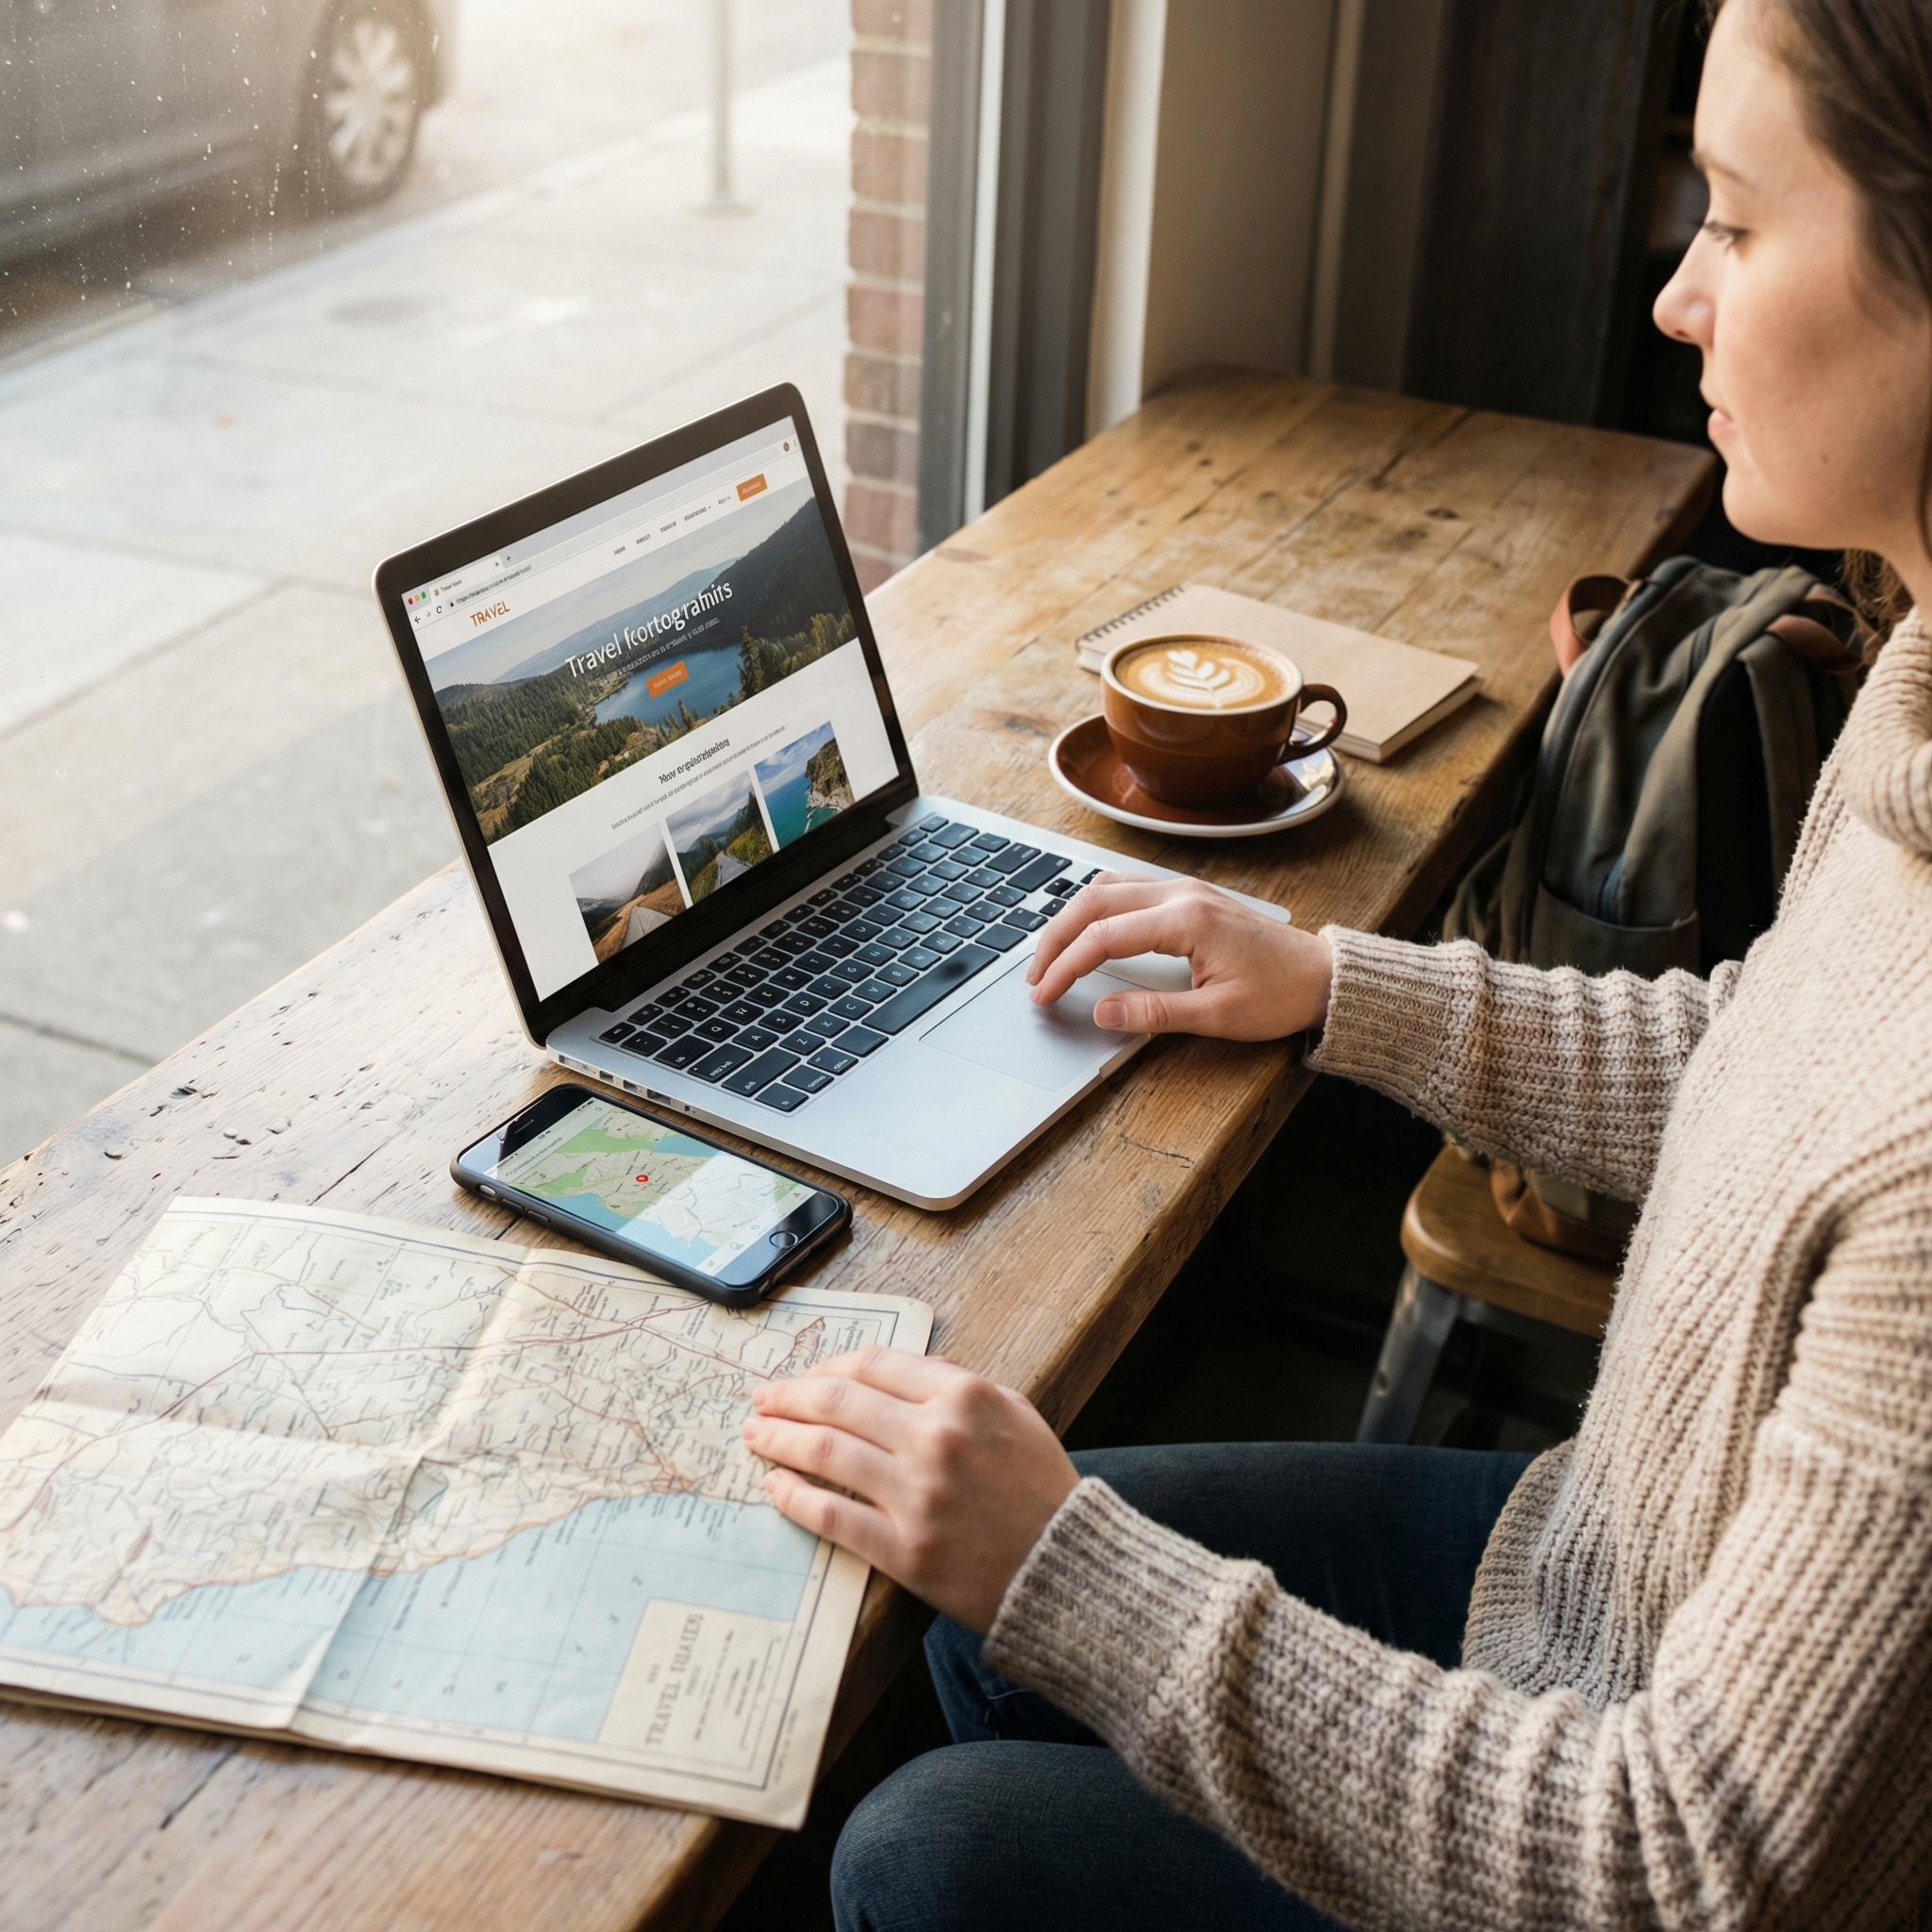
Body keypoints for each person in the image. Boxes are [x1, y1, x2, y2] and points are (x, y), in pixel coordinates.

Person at [741, 0, 1932, 1923]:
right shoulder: (1918, 682)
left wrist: (1070, 1564)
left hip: (1646, 1801)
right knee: (966, 1645)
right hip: (1617, 1565)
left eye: (1730, 215)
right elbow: (1781, 1055)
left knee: (922, 1842)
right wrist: (1329, 986)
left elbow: (1691, 1866)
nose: (1673, 301)